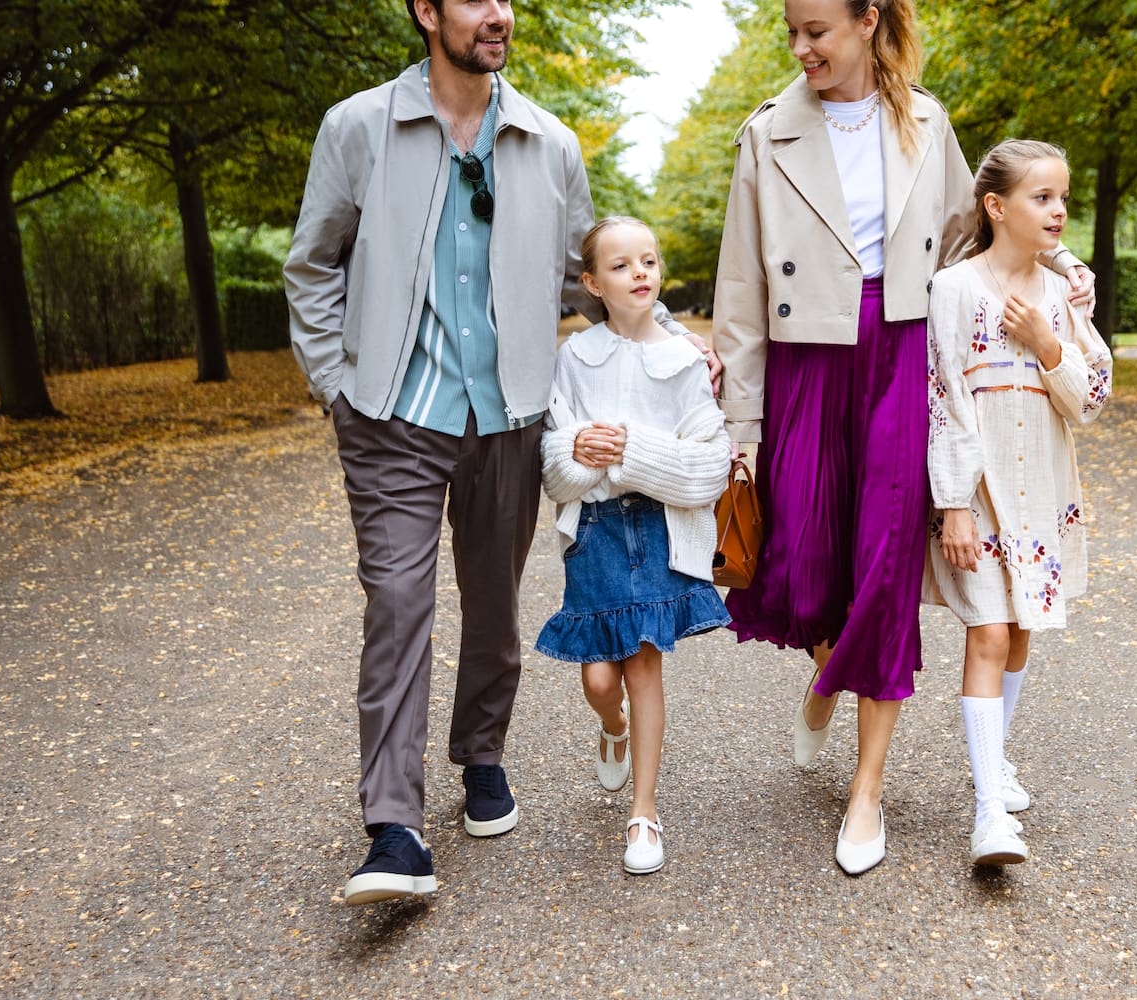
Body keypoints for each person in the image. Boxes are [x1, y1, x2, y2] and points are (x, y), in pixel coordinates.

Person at [284, 0, 704, 905]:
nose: (499, 13)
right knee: (398, 603)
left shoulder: (549, 144)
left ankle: (481, 756)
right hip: (391, 412)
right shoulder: (357, 126)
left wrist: (666, 335)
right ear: (427, 12)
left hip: (511, 413)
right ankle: (393, 829)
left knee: (492, 602)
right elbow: (313, 263)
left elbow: (584, 274)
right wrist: (337, 387)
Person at [713, 0, 1094, 875]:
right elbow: (739, 283)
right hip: (807, 356)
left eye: (818, 31)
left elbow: (978, 231)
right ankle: (825, 671)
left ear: (868, 19)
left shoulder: (927, 118)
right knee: (801, 567)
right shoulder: (766, 133)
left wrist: (1063, 266)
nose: (803, 48)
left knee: (884, 571)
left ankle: (866, 793)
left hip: (904, 350)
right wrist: (744, 423)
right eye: (793, 34)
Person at [925, 139, 1113, 866]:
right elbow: (940, 398)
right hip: (980, 493)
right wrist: (954, 505)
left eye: (1064, 197)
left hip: (1045, 498)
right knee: (989, 636)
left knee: (1024, 629)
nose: (1059, 210)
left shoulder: (1062, 296)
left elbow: (1091, 401)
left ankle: (994, 759)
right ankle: (987, 815)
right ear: (996, 206)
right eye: (1043, 197)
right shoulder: (954, 290)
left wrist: (1049, 343)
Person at [534, 217, 733, 876]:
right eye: (621, 266)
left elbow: (708, 468)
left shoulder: (684, 361)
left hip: (658, 530)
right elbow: (555, 466)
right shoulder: (574, 358)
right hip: (593, 532)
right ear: (591, 283)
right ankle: (612, 726)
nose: (640, 273)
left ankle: (643, 812)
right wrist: (580, 453)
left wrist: (630, 450)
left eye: (648, 260)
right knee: (598, 678)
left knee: (644, 668)